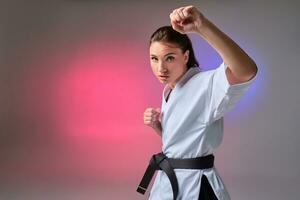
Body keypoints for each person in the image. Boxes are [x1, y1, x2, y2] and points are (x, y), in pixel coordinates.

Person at [137, 5, 257, 200]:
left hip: (195, 187)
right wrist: (160, 127)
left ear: (185, 56)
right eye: (154, 58)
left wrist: (202, 26)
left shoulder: (203, 84)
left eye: (169, 58)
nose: (161, 68)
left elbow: (245, 70)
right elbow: (188, 138)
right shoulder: (171, 87)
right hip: (168, 181)